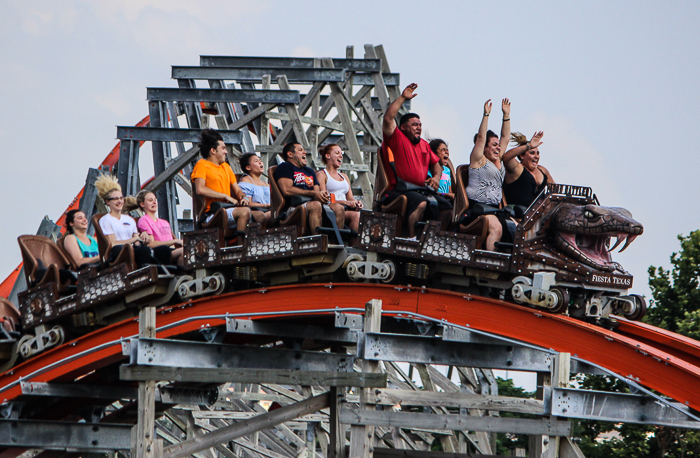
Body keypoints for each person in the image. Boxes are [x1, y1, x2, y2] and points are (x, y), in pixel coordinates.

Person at [381, 83, 452, 238]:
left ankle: (433, 239)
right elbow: (388, 118)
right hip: (399, 190)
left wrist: (436, 177)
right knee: (421, 202)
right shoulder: (397, 138)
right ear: (403, 128)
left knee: (446, 207)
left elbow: (437, 165)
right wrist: (402, 98)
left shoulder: (424, 145)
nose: (419, 128)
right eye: (414, 125)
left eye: (420, 125)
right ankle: (412, 239)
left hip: (421, 190)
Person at [466, 98, 513, 251]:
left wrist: (506, 115)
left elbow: (506, 137)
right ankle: (489, 260)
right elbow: (481, 138)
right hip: (477, 209)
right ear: (484, 148)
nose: (498, 148)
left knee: (517, 228)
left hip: (495, 209)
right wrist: (486, 115)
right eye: (494, 145)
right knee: (497, 228)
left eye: (498, 145)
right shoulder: (478, 160)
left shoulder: (497, 160)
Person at [273, 142, 345, 234]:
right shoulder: (285, 167)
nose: (305, 152)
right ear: (290, 154)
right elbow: (287, 190)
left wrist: (322, 195)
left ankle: (337, 241)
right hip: (294, 208)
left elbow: (316, 191)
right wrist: (314, 194)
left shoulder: (309, 171)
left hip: (313, 204)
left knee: (339, 208)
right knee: (315, 205)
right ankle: (318, 241)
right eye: (300, 150)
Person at [191, 129, 251, 231]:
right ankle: (242, 245)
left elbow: (237, 190)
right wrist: (225, 196)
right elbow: (200, 189)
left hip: (229, 209)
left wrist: (243, 197)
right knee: (244, 212)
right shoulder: (202, 165)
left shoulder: (226, 167)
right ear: (213, 150)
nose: (226, 151)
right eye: (223, 148)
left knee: (260, 216)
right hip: (213, 213)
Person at [94, 174, 153, 267]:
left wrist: (143, 238)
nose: (120, 201)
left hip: (132, 250)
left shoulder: (129, 219)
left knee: (156, 250)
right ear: (107, 202)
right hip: (118, 252)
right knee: (135, 250)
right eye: (116, 199)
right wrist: (133, 240)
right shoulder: (105, 220)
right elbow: (113, 243)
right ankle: (142, 272)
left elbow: (136, 240)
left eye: (121, 198)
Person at [123, 191, 184, 266]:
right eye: (150, 200)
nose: (154, 202)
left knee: (185, 255)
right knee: (185, 252)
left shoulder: (165, 222)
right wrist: (174, 241)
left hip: (173, 250)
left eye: (155, 200)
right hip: (162, 252)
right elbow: (151, 244)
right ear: (142, 204)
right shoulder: (144, 220)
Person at [316, 144, 363, 232]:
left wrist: (356, 203)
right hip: (330, 210)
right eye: (337, 153)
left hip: (344, 209)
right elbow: (324, 199)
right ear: (328, 156)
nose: (341, 155)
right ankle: (336, 241)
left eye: (341, 153)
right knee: (339, 208)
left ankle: (353, 244)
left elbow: (350, 198)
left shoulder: (344, 176)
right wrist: (345, 203)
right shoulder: (322, 175)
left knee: (358, 215)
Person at [502, 131, 554, 210]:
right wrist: (529, 146)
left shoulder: (542, 170)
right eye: (532, 153)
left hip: (537, 216)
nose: (536, 156)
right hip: (516, 215)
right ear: (522, 155)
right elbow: (506, 157)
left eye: (538, 153)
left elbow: (555, 189)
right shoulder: (517, 169)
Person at [238, 153, 272, 226]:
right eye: (256, 161)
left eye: (260, 160)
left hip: (268, 210)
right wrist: (266, 205)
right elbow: (247, 203)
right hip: (255, 212)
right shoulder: (246, 181)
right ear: (248, 167)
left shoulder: (265, 183)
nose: (260, 162)